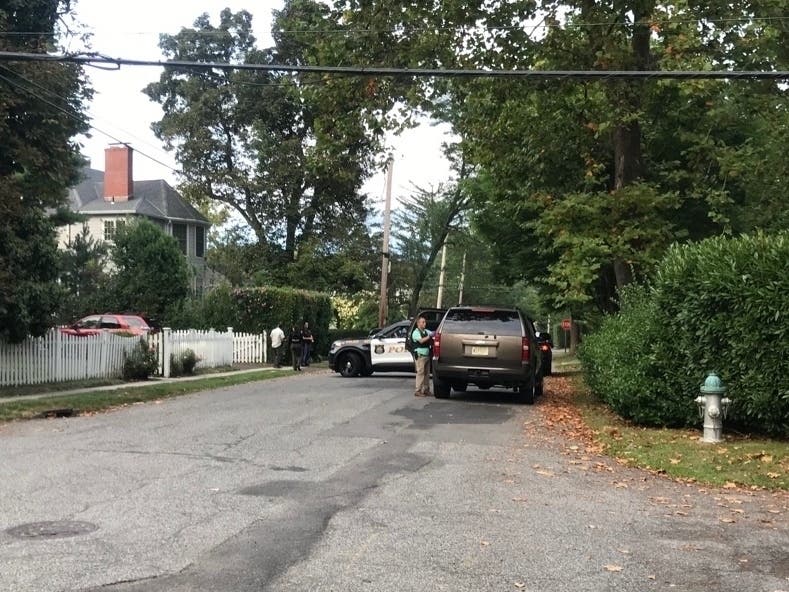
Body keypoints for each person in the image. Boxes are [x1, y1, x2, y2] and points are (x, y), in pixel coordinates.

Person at [411, 316, 433, 397]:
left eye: (425, 322)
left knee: (427, 374)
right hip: (420, 356)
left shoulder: (426, 331)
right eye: (423, 322)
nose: (425, 323)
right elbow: (421, 340)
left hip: (427, 355)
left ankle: (426, 390)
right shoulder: (416, 332)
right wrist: (430, 336)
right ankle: (418, 390)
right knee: (420, 373)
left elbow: (432, 333)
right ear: (418, 323)